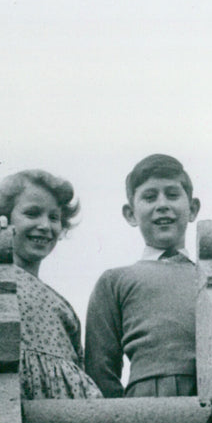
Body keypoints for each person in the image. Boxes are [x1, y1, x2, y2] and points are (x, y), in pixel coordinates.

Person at [85, 154, 205, 398]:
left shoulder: (210, 277)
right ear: (130, 214)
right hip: (146, 402)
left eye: (172, 195)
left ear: (192, 209)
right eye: (149, 197)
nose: (162, 204)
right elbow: (100, 369)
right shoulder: (115, 281)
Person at [0, 170, 102, 400]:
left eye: (54, 217)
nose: (45, 225)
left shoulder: (61, 304)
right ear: (5, 218)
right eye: (32, 213)